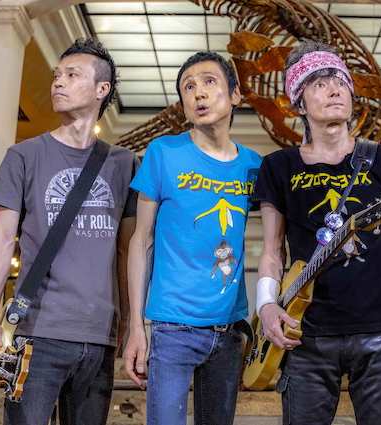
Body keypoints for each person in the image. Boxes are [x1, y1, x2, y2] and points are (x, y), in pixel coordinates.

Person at [253, 39, 381, 425]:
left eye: (341, 82)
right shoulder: (278, 166)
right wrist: (266, 304)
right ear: (299, 103)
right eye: (319, 83)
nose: (334, 90)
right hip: (304, 333)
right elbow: (272, 251)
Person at [0, 38, 138, 424]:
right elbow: (1, 238)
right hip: (35, 332)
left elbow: (129, 251)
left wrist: (131, 325)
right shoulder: (24, 155)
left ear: (101, 89)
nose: (58, 82)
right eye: (56, 75)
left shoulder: (125, 164)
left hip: (99, 337)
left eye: (72, 75)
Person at [122, 51, 262, 425]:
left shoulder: (254, 165)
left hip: (230, 329)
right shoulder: (163, 152)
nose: (198, 92)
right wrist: (136, 327)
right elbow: (141, 240)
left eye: (209, 81)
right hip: (172, 328)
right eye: (188, 87)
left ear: (235, 94)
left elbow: (277, 241)